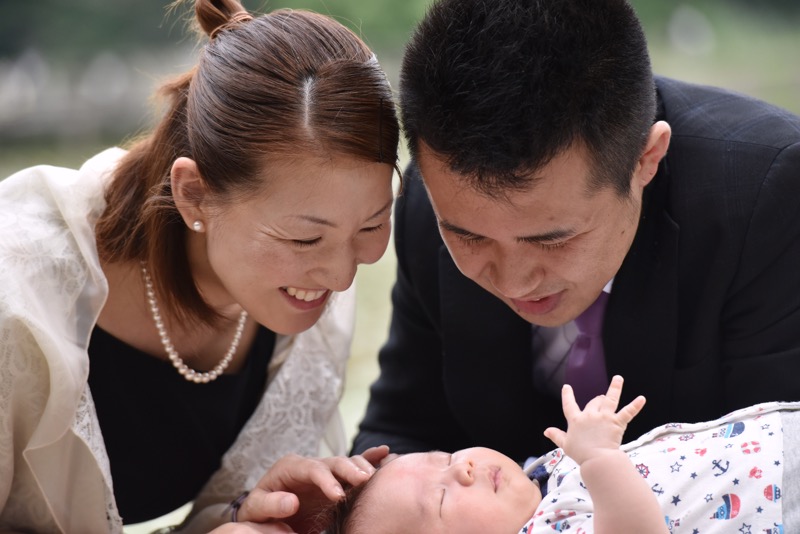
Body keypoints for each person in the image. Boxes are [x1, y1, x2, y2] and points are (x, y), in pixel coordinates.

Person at [0, 0, 400, 532]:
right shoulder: (17, 291)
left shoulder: (306, 292)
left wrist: (245, 516)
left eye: (372, 226)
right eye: (305, 238)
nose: (342, 275)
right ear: (193, 195)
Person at [353, 0, 800, 460]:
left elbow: (776, 480)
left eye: (553, 239)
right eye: (470, 237)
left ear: (646, 159)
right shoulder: (434, 205)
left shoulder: (768, 198)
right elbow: (399, 431)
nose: (514, 281)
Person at [332, 376, 799, 534]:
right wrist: (599, 460)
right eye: (438, 501)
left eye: (444, 456)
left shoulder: (542, 486)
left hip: (771, 446)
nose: (464, 467)